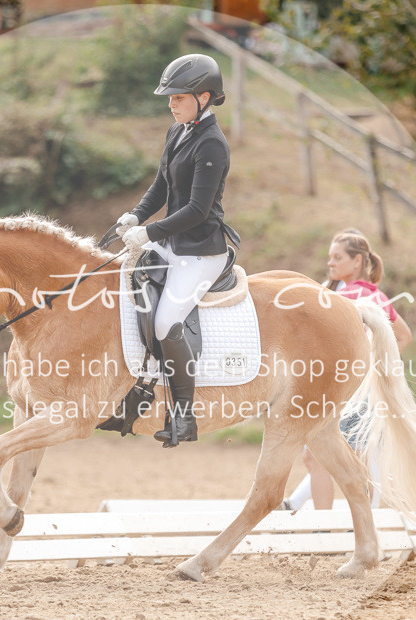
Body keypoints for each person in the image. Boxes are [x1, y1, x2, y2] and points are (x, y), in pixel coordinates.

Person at [116, 53, 241, 448]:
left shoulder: (212, 144)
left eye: (178, 97)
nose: (170, 103)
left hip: (201, 251)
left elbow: (196, 210)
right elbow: (162, 188)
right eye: (169, 98)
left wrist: (149, 232)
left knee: (166, 320)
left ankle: (184, 417)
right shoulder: (177, 132)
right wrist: (135, 217)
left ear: (204, 97)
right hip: (171, 244)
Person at [282, 229, 412, 510]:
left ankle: (325, 527)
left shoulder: (348, 296)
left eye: (337, 257)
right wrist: (373, 368)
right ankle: (303, 511)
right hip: (357, 386)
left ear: (357, 262)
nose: (330, 263)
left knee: (323, 457)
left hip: (344, 389)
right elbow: (403, 336)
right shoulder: (374, 294)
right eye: (330, 257)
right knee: (336, 457)